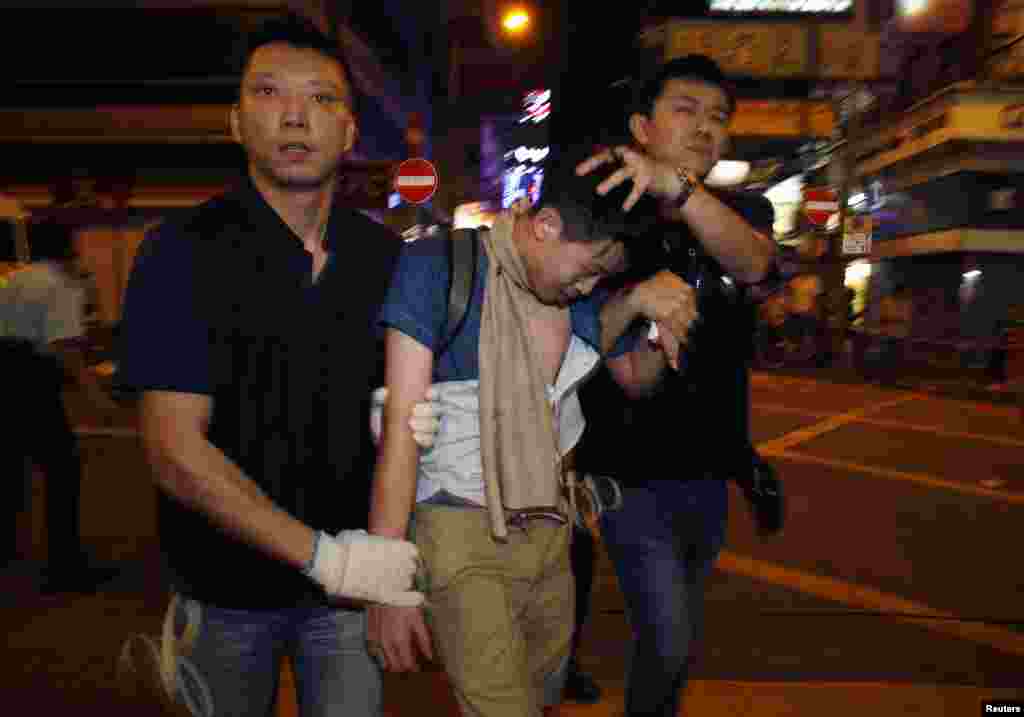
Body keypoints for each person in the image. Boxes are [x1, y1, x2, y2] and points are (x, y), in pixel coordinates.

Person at [116, 14, 427, 717]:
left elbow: (409, 429)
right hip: (224, 591)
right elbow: (173, 449)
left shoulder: (384, 259)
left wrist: (390, 566)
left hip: (350, 597)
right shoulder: (180, 250)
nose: (294, 115)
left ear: (349, 131)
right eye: (269, 92)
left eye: (321, 97)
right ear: (236, 122)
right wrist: (325, 558)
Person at [367, 153, 699, 717]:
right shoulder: (438, 267)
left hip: (551, 532)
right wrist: (385, 583)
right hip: (460, 528)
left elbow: (635, 377)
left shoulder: (578, 294)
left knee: (541, 702)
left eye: (602, 277)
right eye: (588, 269)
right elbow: (403, 426)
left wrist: (658, 320)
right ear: (545, 225)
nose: (589, 285)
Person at [573, 54, 777, 717]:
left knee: (674, 641)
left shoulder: (741, 210)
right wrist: (641, 304)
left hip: (711, 470)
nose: (704, 127)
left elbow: (753, 263)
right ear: (642, 127)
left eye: (717, 116)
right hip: (627, 472)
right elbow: (601, 353)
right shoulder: (608, 211)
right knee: (668, 635)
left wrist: (681, 190)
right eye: (684, 110)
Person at [1, 217, 121, 593]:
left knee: (10, 471)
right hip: (31, 383)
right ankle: (64, 567)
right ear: (68, 245)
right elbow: (65, 349)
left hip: (5, 377)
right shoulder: (61, 284)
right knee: (62, 470)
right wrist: (96, 397)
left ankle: (7, 556)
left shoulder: (15, 279)